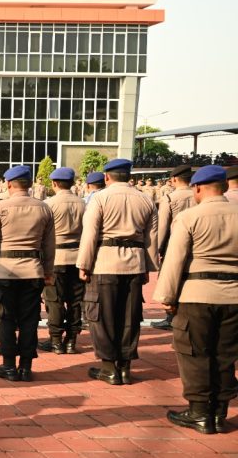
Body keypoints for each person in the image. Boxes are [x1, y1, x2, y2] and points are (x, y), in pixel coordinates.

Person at [153, 166, 238, 434]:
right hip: (234, 294)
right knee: (226, 354)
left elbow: (176, 259)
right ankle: (219, 413)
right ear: (224, 187)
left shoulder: (190, 217)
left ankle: (200, 412)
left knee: (195, 353)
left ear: (198, 188)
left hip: (197, 294)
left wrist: (167, 296)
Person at [77, 159, 158, 386]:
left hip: (105, 262)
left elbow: (90, 234)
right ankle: (125, 367)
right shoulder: (145, 199)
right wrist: (148, 268)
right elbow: (152, 238)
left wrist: (84, 264)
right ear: (129, 176)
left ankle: (109, 368)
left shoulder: (100, 198)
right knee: (129, 317)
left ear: (106, 177)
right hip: (134, 262)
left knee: (102, 316)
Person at [0, 166, 56, 382]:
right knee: (29, 319)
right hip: (33, 270)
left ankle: (8, 366)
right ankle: (26, 367)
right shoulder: (44, 208)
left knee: (5, 318)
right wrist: (48, 272)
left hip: (5, 270)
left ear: (9, 184)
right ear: (30, 184)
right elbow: (50, 245)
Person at [38, 167, 86, 355]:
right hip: (77, 256)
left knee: (54, 299)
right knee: (75, 301)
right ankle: (71, 340)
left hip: (56, 257)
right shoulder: (83, 203)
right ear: (73, 183)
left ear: (54, 183)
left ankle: (56, 340)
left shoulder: (49, 204)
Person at [151, 165, 197, 331]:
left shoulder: (169, 198)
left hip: (175, 242)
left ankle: (171, 317)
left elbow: (163, 226)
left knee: (171, 278)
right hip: (197, 242)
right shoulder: (198, 194)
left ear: (175, 179)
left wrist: (159, 248)